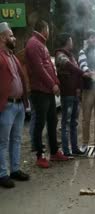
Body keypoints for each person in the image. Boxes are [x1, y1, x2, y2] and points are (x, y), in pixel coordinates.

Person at [25, 20, 69, 168]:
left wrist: (56, 81)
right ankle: (40, 155)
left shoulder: (41, 44)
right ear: (44, 29)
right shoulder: (33, 44)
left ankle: (54, 152)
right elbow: (39, 69)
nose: (49, 32)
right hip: (40, 91)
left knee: (52, 121)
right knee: (40, 124)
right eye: (48, 29)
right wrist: (52, 84)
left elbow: (49, 66)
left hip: (48, 91)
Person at [0, 22, 30, 188]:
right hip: (6, 106)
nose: (14, 38)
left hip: (18, 105)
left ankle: (15, 169)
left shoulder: (11, 56)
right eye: (11, 35)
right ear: (3, 37)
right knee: (2, 141)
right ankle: (2, 173)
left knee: (16, 139)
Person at [55, 33, 93, 156]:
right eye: (71, 40)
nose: (72, 43)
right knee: (66, 123)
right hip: (67, 94)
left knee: (74, 123)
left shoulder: (71, 56)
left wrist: (79, 88)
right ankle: (66, 151)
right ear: (67, 41)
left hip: (75, 94)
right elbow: (71, 68)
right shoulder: (60, 55)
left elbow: (76, 73)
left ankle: (75, 148)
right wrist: (84, 73)